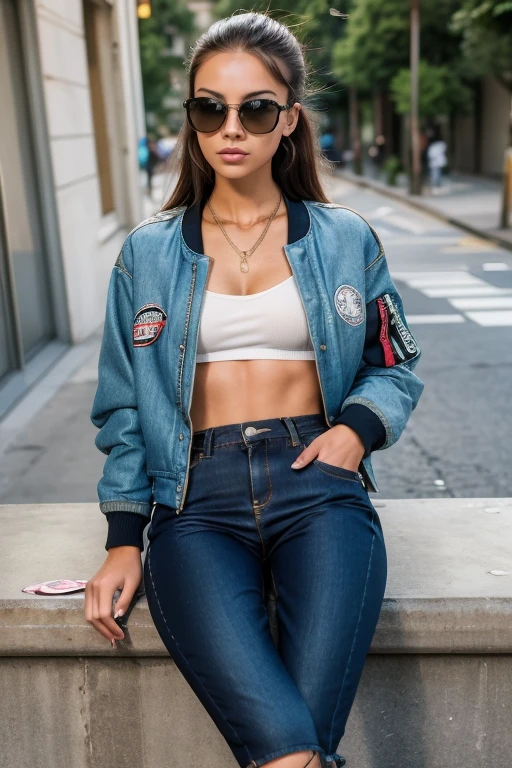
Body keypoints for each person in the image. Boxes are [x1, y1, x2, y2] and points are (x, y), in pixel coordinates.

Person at [85, 11, 424, 768]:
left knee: (288, 751)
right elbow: (122, 409)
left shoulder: (344, 239)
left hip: (319, 486)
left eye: (255, 108)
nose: (229, 127)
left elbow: (395, 362)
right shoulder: (146, 253)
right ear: (193, 121)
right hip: (193, 503)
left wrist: (355, 432)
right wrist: (121, 538)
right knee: (291, 751)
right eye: (210, 108)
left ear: (289, 120)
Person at [426, 126, 447, 192]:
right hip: (436, 161)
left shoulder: (436, 145)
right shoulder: (439, 144)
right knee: (436, 172)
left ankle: (436, 184)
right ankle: (436, 184)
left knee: (436, 173)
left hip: (436, 161)